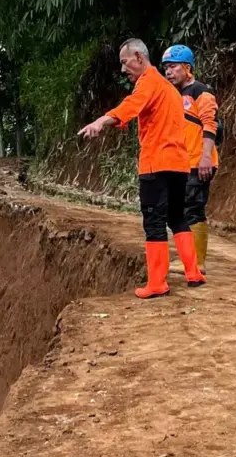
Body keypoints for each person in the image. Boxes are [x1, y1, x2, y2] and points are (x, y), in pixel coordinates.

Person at [79, 38, 206, 298]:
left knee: (154, 220)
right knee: (176, 216)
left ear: (138, 56)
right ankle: (193, 273)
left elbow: (131, 105)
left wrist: (101, 121)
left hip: (156, 163)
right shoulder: (170, 89)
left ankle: (157, 283)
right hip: (179, 163)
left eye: (125, 62)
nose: (123, 69)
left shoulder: (148, 82)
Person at [161, 44, 219, 272]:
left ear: (188, 68)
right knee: (178, 209)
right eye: (166, 67)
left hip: (198, 162)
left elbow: (210, 124)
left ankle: (196, 262)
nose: (168, 72)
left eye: (173, 67)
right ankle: (189, 259)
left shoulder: (201, 92)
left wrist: (205, 158)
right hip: (182, 163)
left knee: (193, 209)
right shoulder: (175, 95)